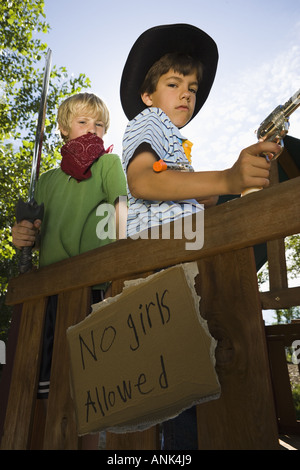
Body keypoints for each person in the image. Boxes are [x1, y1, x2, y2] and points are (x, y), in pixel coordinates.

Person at [120, 23, 281, 449]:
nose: (187, 93)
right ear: (147, 95)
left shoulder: (173, 140)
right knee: (181, 388)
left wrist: (217, 191)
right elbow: (143, 182)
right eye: (173, 83)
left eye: (192, 86)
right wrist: (229, 177)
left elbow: (175, 188)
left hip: (178, 263)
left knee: (189, 381)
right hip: (160, 267)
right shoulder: (148, 122)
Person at [12, 92, 127, 449]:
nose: (92, 129)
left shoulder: (108, 164)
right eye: (83, 122)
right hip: (50, 295)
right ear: (64, 129)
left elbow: (121, 205)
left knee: (87, 387)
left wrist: (124, 261)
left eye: (99, 125)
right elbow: (32, 236)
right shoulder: (45, 182)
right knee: (46, 385)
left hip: (94, 286)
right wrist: (22, 237)